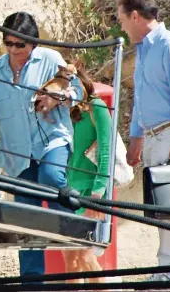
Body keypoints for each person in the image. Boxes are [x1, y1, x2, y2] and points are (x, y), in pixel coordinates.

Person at [0, 11, 83, 277]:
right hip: (16, 152)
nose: (14, 49)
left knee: (50, 176)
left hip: (52, 138)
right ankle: (31, 281)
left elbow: (77, 92)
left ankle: (70, 224)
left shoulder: (51, 60)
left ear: (33, 43)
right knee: (26, 216)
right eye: (8, 43)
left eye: (20, 44)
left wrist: (57, 97)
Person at [118, 0, 170, 282]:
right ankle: (167, 268)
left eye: (122, 20)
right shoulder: (144, 49)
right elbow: (141, 99)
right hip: (153, 136)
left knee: (168, 209)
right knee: (159, 208)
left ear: (135, 16)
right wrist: (136, 139)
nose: (122, 27)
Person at [63, 64, 111, 284]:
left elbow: (106, 152)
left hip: (91, 191)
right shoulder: (67, 112)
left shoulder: (97, 107)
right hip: (68, 191)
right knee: (70, 261)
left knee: (86, 258)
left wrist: (98, 192)